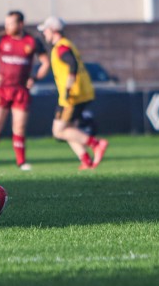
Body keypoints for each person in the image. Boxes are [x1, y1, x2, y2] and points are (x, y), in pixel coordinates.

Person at [0, 10, 50, 172]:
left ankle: (21, 162)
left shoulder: (32, 40)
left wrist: (34, 78)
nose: (7, 26)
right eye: (6, 23)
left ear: (20, 24)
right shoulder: (0, 39)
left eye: (10, 23)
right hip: (2, 90)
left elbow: (46, 63)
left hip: (21, 91)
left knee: (19, 127)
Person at [38, 16, 109, 170]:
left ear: (53, 30)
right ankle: (86, 160)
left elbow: (72, 65)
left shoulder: (61, 47)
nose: (44, 34)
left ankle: (96, 144)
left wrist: (68, 88)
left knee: (59, 131)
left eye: (45, 30)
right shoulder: (66, 44)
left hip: (72, 95)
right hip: (81, 93)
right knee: (68, 129)